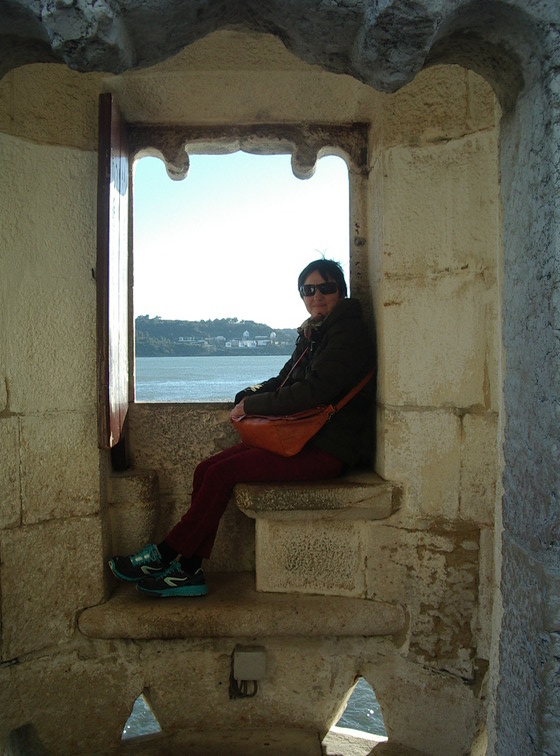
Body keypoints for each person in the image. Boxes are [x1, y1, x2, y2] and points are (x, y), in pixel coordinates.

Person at [109, 259, 376, 597]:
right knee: (206, 469)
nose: (317, 296)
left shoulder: (347, 335)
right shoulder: (314, 333)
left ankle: (166, 553)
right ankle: (189, 570)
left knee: (222, 474)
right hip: (303, 438)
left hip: (328, 448)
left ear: (341, 291)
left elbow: (312, 393)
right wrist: (247, 394)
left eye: (326, 288)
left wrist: (251, 407)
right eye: (309, 290)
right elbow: (284, 380)